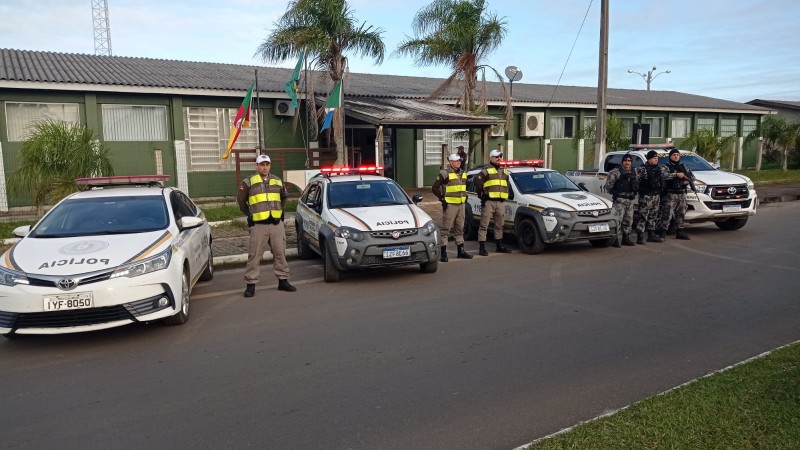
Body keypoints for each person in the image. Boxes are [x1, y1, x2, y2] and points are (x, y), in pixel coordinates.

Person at [237, 154, 296, 296]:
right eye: (262, 164)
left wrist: (279, 211)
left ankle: (283, 281)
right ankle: (250, 285)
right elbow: (241, 202)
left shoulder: (277, 181)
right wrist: (250, 214)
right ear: (257, 166)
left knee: (280, 253)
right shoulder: (248, 182)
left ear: (270, 165)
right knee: (254, 255)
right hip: (258, 225)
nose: (265, 167)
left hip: (276, 224)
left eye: (267, 164)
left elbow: (284, 197)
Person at [431, 153, 473, 262]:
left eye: (459, 160)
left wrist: (465, 196)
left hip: (461, 204)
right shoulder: (445, 173)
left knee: (460, 228)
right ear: (450, 162)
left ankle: (461, 251)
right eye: (456, 161)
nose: (458, 162)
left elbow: (463, 187)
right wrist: (442, 198)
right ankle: (443, 253)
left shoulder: (463, 173)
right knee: (446, 229)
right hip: (450, 205)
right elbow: (435, 188)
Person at [474, 149, 512, 256]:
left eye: (500, 156)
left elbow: (507, 186)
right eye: (496, 156)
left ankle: (499, 246)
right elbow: (478, 184)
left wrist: (505, 196)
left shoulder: (504, 171)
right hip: (489, 202)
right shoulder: (485, 171)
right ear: (491, 157)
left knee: (499, 225)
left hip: (500, 202)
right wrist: (482, 196)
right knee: (484, 225)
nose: (499, 158)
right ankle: (482, 248)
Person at [658, 149, 695, 240]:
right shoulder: (666, 166)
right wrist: (675, 175)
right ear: (670, 156)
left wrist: (687, 181)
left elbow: (692, 177)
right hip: (670, 194)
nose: (676, 156)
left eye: (677, 155)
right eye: (674, 155)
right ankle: (662, 232)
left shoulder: (684, 166)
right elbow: (662, 176)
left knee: (681, 213)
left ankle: (680, 232)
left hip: (681, 193)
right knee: (667, 214)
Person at [604, 153, 639, 247]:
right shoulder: (615, 172)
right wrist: (615, 192)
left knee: (628, 221)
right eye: (625, 161)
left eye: (629, 161)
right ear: (622, 162)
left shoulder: (634, 172)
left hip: (630, 200)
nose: (627, 163)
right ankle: (615, 240)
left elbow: (636, 184)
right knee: (618, 220)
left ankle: (626, 238)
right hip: (619, 200)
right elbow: (608, 186)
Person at [634, 150, 666, 244]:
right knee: (643, 217)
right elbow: (635, 181)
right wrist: (640, 190)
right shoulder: (642, 169)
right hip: (646, 196)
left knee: (653, 216)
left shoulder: (658, 169)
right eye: (654, 158)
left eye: (657, 158)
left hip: (656, 196)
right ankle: (640, 237)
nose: (656, 160)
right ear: (649, 159)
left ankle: (651, 235)